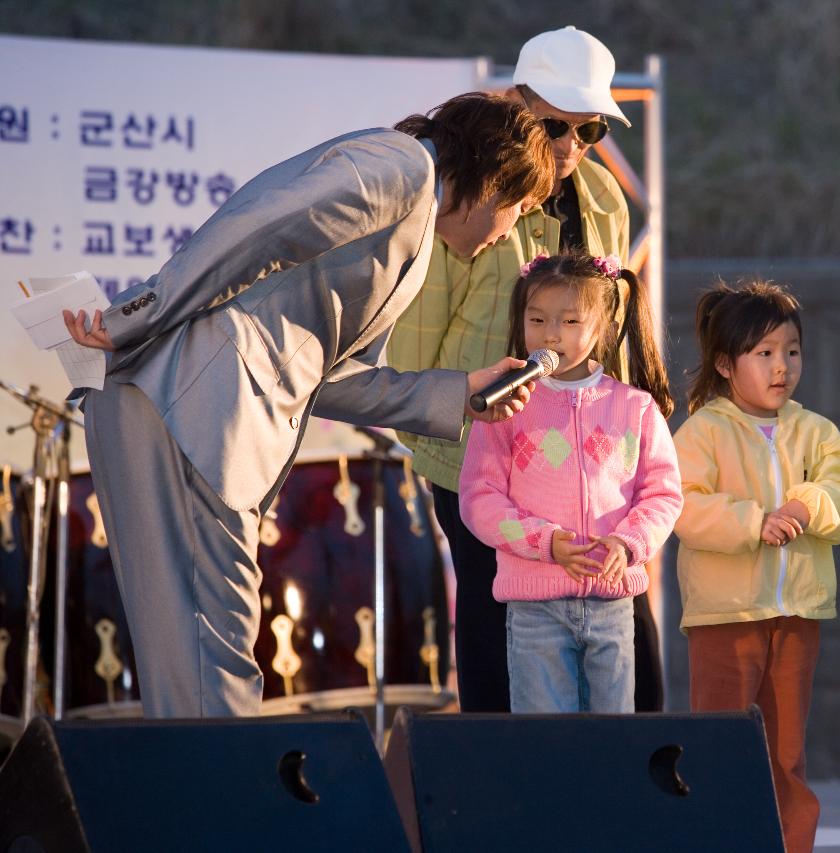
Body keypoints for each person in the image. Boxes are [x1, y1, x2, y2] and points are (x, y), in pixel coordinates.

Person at [61, 92, 555, 718]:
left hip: (178, 404)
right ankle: (225, 807)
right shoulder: (402, 166)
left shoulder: (413, 218)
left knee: (189, 665)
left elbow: (331, 378)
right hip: (193, 404)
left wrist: (460, 394)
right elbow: (260, 225)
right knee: (214, 662)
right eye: (520, 207)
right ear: (494, 179)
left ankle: (197, 805)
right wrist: (143, 309)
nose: (510, 229)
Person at [388, 26, 645, 713]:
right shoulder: (466, 191)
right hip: (482, 462)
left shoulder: (608, 202)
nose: (569, 146)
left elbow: (609, 338)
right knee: (495, 644)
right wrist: (452, 456)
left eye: (588, 129)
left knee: (617, 644)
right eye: (553, 124)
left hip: (589, 464)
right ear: (514, 103)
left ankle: (618, 802)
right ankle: (501, 808)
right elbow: (413, 353)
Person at [672, 281, 840, 853]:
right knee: (721, 748)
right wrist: (755, 522)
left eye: (792, 351)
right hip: (724, 619)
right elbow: (682, 505)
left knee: (787, 755)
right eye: (765, 353)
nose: (783, 367)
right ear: (726, 364)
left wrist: (807, 506)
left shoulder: (817, 431)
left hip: (796, 617)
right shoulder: (702, 430)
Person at [457, 252, 681, 713]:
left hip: (612, 604)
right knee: (547, 743)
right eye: (536, 319)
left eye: (570, 320)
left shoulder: (634, 407)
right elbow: (479, 497)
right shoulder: (506, 405)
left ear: (600, 327)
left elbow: (662, 492)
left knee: (611, 741)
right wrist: (546, 543)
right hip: (535, 608)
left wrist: (629, 543)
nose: (550, 334)